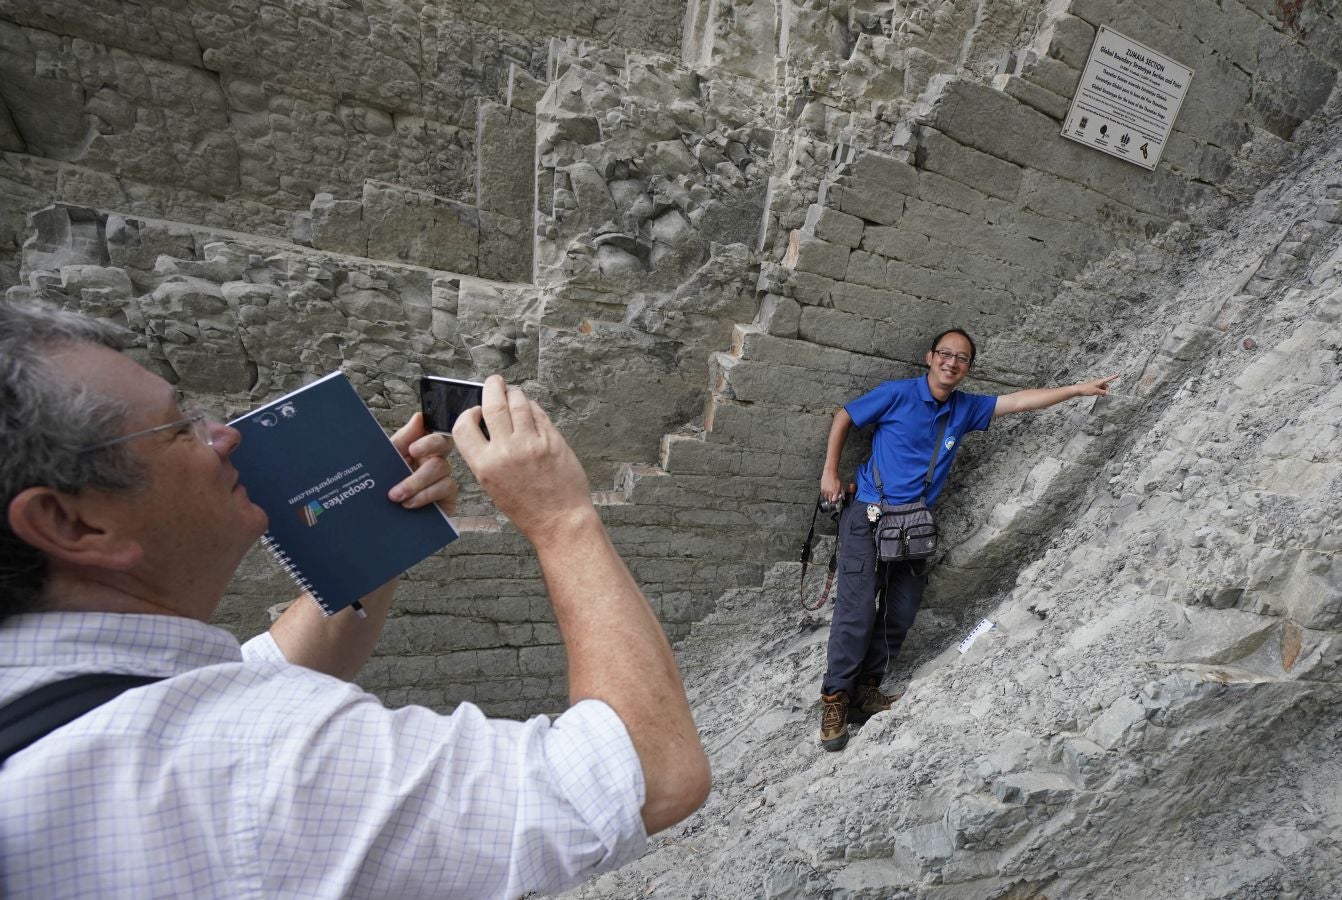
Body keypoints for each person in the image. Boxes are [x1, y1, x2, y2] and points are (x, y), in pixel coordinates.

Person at [0, 302, 710, 898]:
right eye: (178, 426)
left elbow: (268, 672)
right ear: (73, 522)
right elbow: (648, 775)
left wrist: (371, 525)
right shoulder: (253, 767)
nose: (224, 436)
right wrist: (561, 517)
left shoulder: (53, 694)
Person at [816, 328, 1116, 751]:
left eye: (961, 358)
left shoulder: (964, 409)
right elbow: (845, 415)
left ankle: (867, 689)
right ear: (929, 357)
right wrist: (830, 472)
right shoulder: (897, 394)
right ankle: (835, 699)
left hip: (914, 524)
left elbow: (1017, 401)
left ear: (968, 368)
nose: (952, 363)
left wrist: (1077, 390)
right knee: (857, 609)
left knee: (900, 611)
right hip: (868, 515)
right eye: (945, 354)